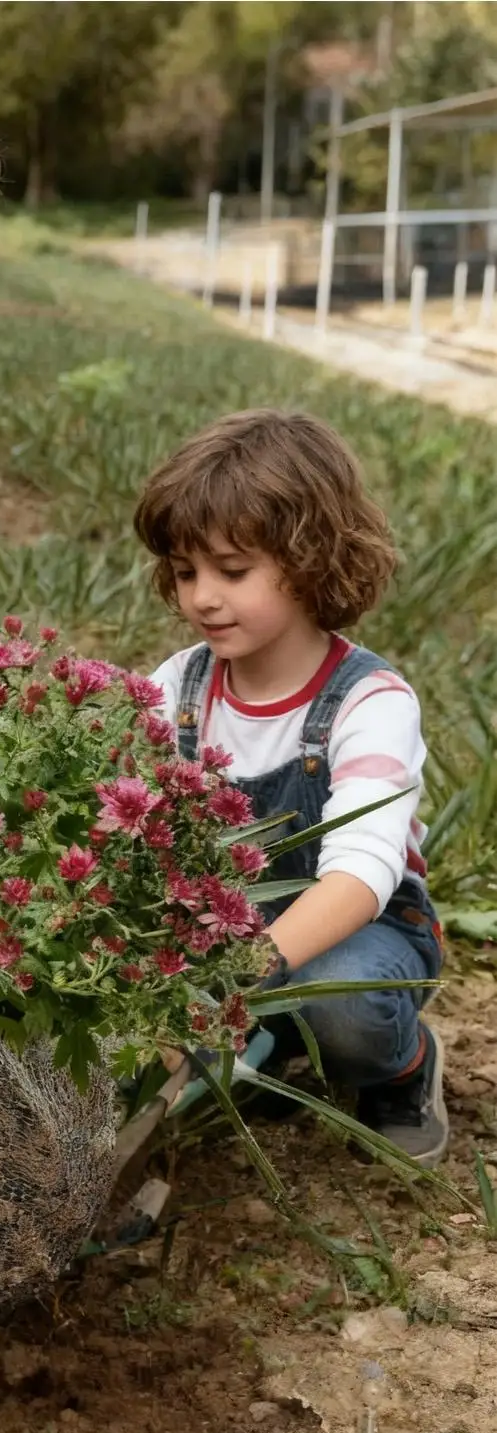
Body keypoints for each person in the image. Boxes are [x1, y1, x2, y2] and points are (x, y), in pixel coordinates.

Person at [135, 410, 445, 1166]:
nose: (202, 596)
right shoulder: (177, 688)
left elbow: (362, 872)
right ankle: (266, 1045)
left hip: (361, 932)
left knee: (342, 1001)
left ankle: (401, 1068)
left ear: (307, 560)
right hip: (221, 932)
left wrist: (245, 974)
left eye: (231, 571)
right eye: (184, 572)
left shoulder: (369, 702)